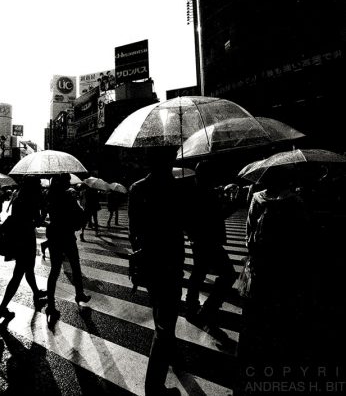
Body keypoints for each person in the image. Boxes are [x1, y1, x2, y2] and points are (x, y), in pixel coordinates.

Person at [235, 168, 313, 394]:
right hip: (284, 270)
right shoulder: (295, 202)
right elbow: (304, 240)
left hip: (259, 268)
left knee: (253, 320)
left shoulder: (257, 199)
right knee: (280, 318)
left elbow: (248, 237)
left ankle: (248, 367)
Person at [128, 148, 185, 396]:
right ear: (169, 161)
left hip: (149, 262)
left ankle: (169, 353)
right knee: (164, 322)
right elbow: (186, 224)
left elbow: (133, 231)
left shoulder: (137, 188)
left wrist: (142, 251)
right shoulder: (177, 189)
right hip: (170, 261)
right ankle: (153, 387)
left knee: (161, 312)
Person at [184, 160, 237, 330]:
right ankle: (208, 307)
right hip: (208, 240)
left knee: (199, 272)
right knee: (228, 274)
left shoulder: (194, 191)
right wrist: (233, 205)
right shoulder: (204, 193)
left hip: (198, 240)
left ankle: (192, 307)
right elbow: (216, 216)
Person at [0, 176, 47, 321]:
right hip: (27, 239)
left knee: (28, 270)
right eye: (38, 184)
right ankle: (2, 308)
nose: (40, 187)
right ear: (34, 187)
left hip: (17, 238)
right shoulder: (32, 200)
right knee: (18, 274)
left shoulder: (19, 196)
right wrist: (44, 211)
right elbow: (37, 222)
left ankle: (36, 294)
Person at [45, 173, 90, 329]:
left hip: (54, 234)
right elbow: (80, 214)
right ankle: (79, 293)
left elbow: (46, 214)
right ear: (64, 182)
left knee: (55, 270)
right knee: (75, 265)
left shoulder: (50, 195)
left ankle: (50, 304)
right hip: (66, 235)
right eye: (68, 180)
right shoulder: (68, 196)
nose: (70, 182)